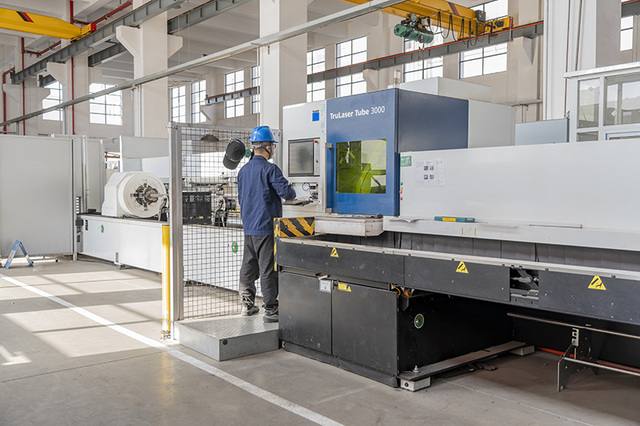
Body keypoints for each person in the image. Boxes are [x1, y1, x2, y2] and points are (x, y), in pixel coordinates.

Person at [237, 125, 296, 322]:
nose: (273, 149)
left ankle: (247, 305)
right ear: (268, 146)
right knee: (267, 269)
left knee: (248, 266)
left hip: (249, 227)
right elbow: (288, 193)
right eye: (273, 145)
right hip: (266, 227)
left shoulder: (243, 171)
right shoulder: (270, 169)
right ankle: (271, 309)